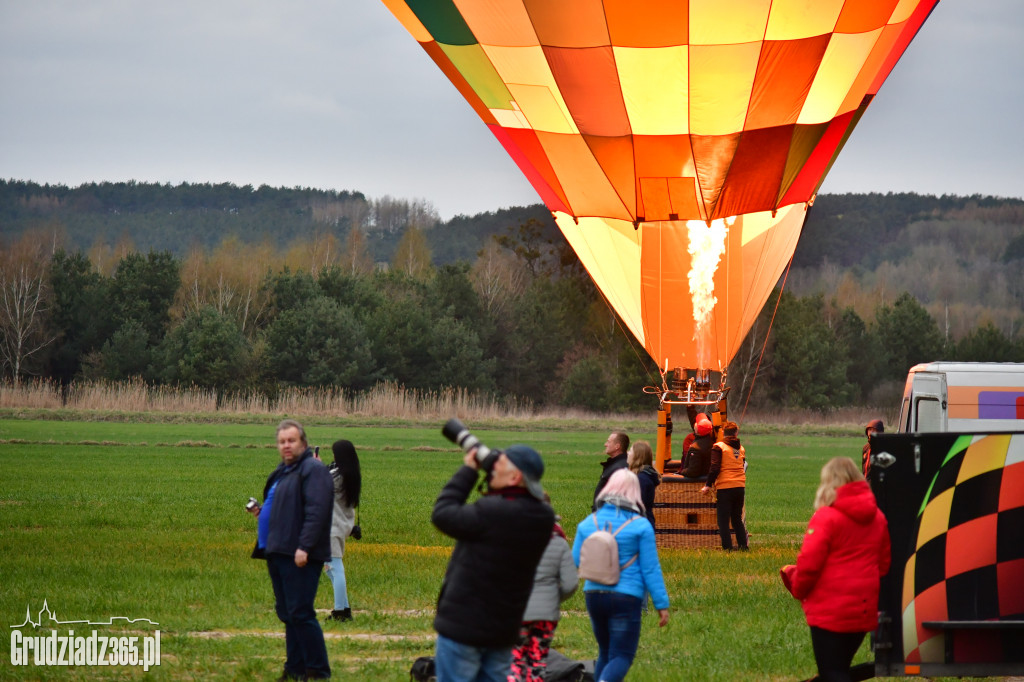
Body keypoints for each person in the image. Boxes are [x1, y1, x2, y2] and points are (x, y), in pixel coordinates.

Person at [431, 443, 555, 682]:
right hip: (503, 629)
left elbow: (443, 514)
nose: (491, 469)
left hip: (464, 626)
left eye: (498, 465)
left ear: (515, 477)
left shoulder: (492, 511)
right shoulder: (543, 517)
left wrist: (468, 471)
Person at [780, 457, 891, 682]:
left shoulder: (826, 517)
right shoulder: (878, 517)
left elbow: (808, 565)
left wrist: (797, 588)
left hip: (830, 612)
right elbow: (884, 565)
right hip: (863, 610)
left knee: (832, 672)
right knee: (838, 668)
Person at [249, 419, 334, 680]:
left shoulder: (312, 470)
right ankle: (295, 670)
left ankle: (318, 672)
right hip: (277, 550)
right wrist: (262, 513)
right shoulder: (284, 471)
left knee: (301, 613)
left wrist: (304, 546)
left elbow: (317, 512)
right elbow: (286, 508)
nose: (286, 445)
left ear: (304, 443)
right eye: (282, 441)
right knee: (289, 614)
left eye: (292, 440)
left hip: (298, 554)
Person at [574, 469, 670, 682]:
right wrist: (661, 604)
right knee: (622, 655)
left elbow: (576, 560)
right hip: (626, 597)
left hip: (594, 594)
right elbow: (650, 569)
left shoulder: (588, 523)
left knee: (605, 652)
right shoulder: (641, 526)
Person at [509, 497, 578, 682]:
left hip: (517, 611)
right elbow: (571, 583)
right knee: (537, 661)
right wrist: (554, 598)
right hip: (546, 615)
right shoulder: (559, 544)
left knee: (514, 659)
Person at [325, 439, 360, 622]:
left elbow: (320, 482)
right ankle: (344, 609)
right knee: (331, 569)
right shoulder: (351, 474)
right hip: (342, 526)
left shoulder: (337, 476)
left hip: (333, 528)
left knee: (335, 568)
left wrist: (316, 466)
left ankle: (340, 612)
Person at [701, 420, 748, 550]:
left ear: (723, 432)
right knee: (737, 519)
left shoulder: (719, 447)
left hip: (725, 487)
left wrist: (708, 485)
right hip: (740, 486)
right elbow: (744, 465)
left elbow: (714, 468)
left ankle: (728, 548)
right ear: (736, 433)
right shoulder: (741, 448)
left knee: (723, 521)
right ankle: (743, 546)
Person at [627, 440, 660, 528]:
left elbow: (637, 505)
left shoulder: (642, 479)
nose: (628, 453)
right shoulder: (642, 476)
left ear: (637, 456)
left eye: (630, 451)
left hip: (640, 525)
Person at [594, 431, 629, 510]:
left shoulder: (620, 468)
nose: (605, 444)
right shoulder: (614, 465)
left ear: (617, 446)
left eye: (608, 442)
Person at [680, 413, 713, 480]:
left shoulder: (695, 448)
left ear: (696, 429)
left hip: (698, 481)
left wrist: (682, 472)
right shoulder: (712, 442)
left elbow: (693, 471)